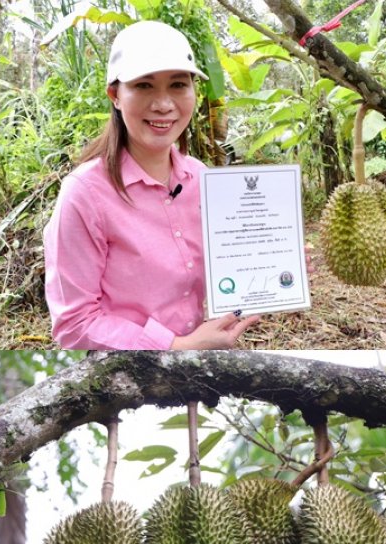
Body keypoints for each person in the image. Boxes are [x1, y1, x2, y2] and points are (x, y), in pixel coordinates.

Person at [43, 21, 260, 350]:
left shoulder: (201, 179)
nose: (163, 104)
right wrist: (176, 347)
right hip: (126, 368)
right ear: (115, 96)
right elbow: (74, 325)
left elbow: (228, 273)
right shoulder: (85, 194)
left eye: (177, 85)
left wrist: (271, 263)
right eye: (144, 86)